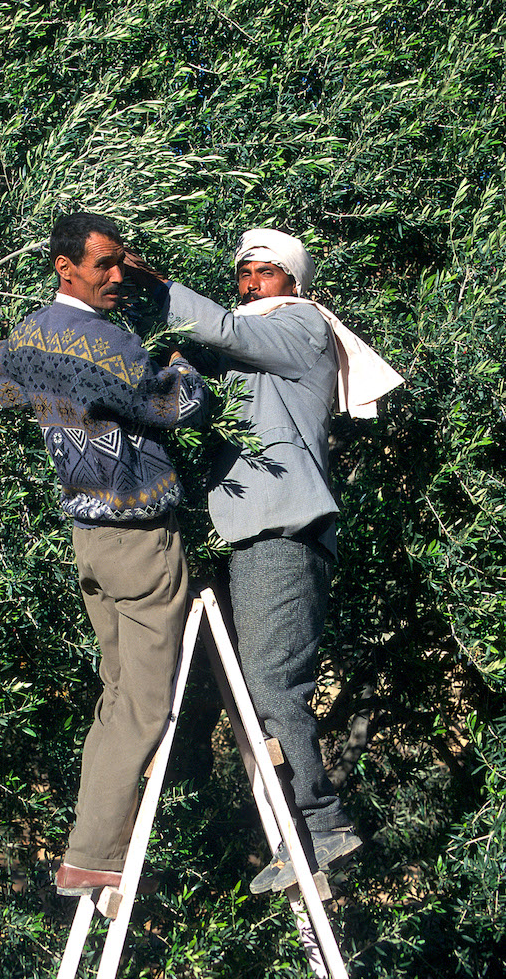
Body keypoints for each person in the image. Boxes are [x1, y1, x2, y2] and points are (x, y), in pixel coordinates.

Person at [126, 228, 402, 893]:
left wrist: (157, 287)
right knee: (258, 694)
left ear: (294, 282)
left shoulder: (303, 327)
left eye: (265, 272)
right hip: (254, 534)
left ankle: (322, 824)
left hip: (285, 530)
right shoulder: (247, 351)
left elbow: (226, 329)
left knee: (275, 688)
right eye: (243, 273)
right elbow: (195, 393)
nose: (251, 283)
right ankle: (297, 836)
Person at [0, 212, 207, 896]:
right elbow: (172, 406)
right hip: (137, 535)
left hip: (88, 537)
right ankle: (97, 854)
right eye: (104, 263)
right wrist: (184, 362)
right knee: (144, 704)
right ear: (64, 266)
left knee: (117, 694)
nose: (116, 275)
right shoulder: (106, 340)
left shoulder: (30, 334)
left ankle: (88, 849)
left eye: (120, 263)